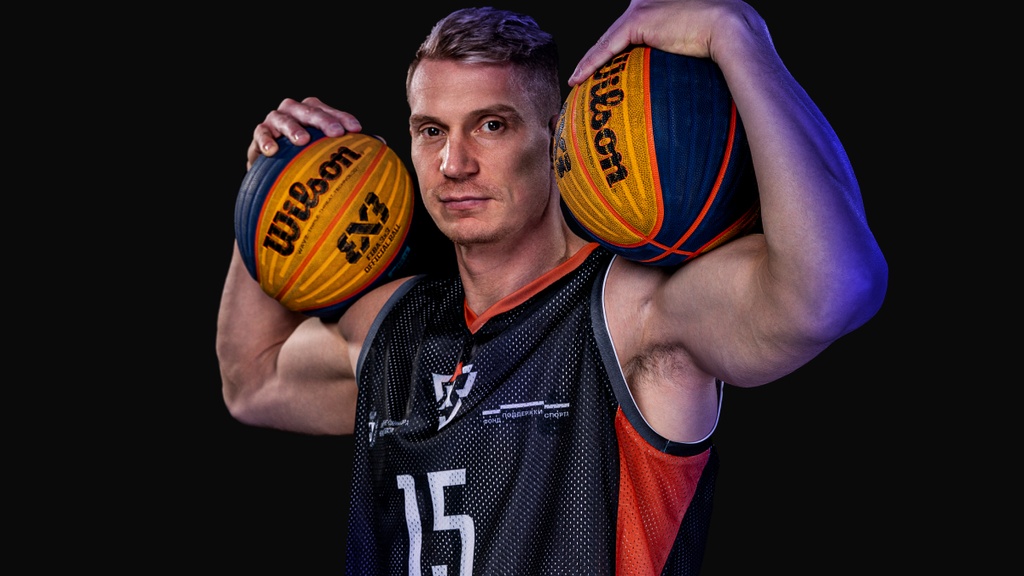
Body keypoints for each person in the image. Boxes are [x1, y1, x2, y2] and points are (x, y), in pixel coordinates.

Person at [217, 1, 888, 574]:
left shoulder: (631, 315)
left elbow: (837, 288)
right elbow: (251, 379)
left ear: (554, 135)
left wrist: (737, 36)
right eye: (430, 131)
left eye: (492, 125)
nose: (453, 163)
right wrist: (272, 193)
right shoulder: (398, 326)